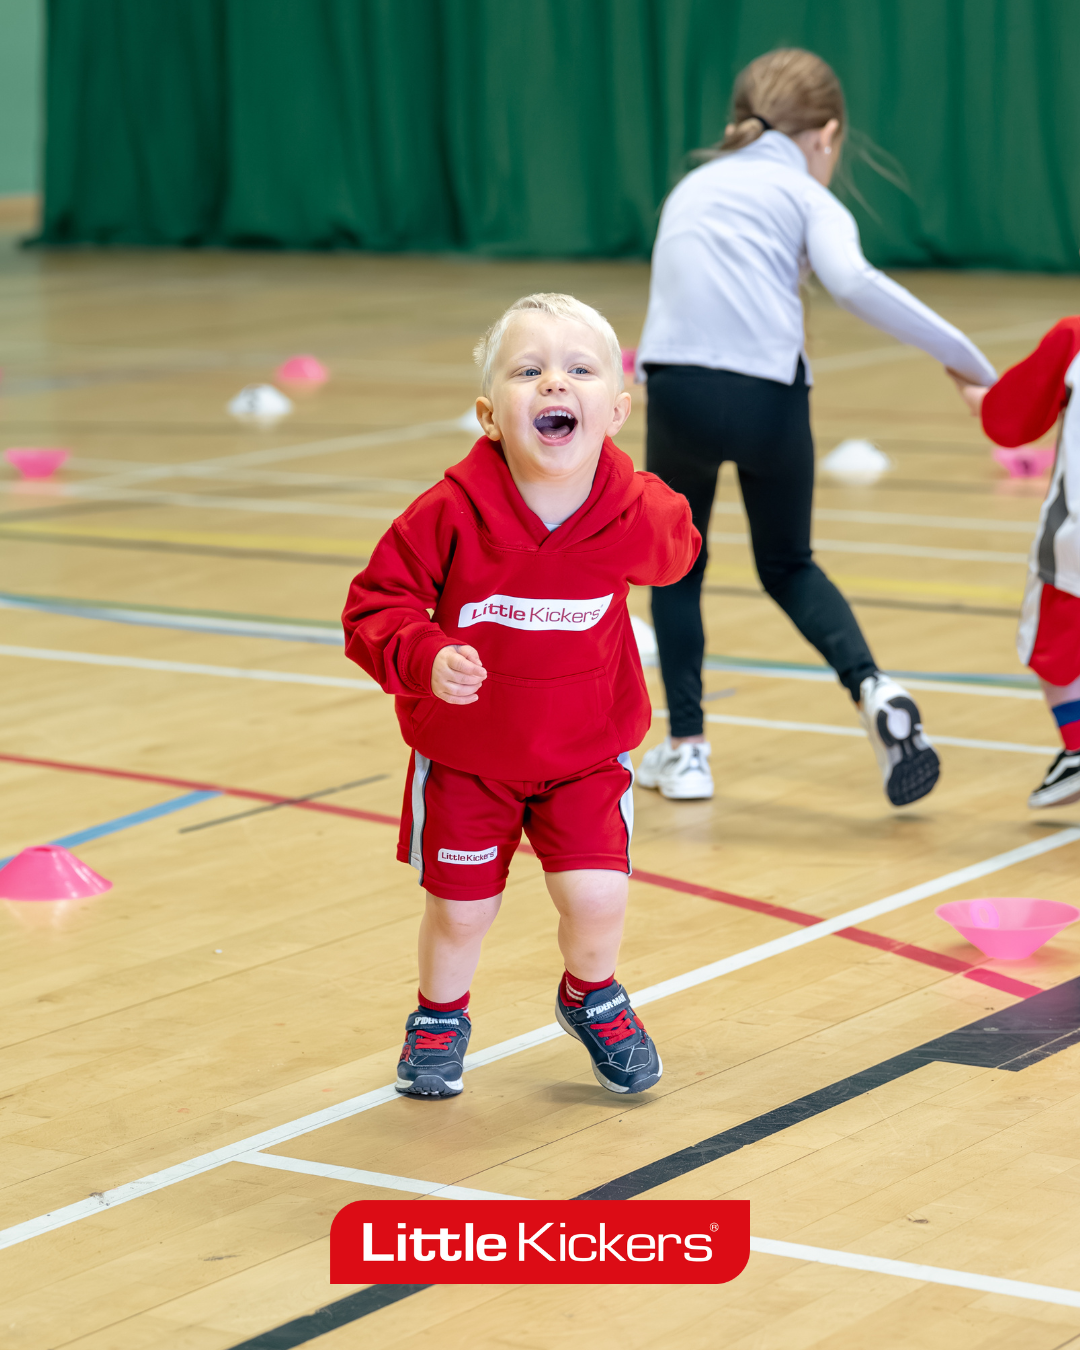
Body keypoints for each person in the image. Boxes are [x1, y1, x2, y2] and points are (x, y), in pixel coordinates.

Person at [342, 293, 699, 1099]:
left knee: (598, 896)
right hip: (469, 758)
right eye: (528, 371)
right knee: (460, 912)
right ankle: (439, 1016)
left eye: (578, 371)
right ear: (489, 414)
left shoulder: (629, 507)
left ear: (614, 408)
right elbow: (373, 607)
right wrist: (424, 655)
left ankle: (592, 996)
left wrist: (641, 505)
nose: (552, 385)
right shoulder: (447, 513)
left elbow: (678, 554)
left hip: (586, 750)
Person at [634, 47, 997, 806]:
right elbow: (856, 284)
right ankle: (873, 690)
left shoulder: (692, 188)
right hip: (770, 400)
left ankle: (688, 750)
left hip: (678, 393)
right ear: (826, 134)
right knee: (789, 565)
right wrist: (968, 363)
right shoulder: (804, 195)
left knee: (677, 566)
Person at [958, 317, 1080, 808]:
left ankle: (1076, 747)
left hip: (1074, 538)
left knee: (1052, 641)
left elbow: (1008, 421)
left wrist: (974, 394)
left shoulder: (1073, 337)